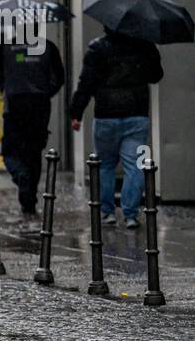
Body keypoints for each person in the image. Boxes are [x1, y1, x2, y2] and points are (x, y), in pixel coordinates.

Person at [68, 29, 164, 229]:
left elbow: (86, 83)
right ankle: (130, 214)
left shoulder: (97, 48)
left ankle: (107, 213)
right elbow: (156, 75)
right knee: (135, 165)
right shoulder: (145, 46)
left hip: (106, 116)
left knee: (105, 165)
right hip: (137, 114)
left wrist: (76, 112)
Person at [0, 35, 65, 219]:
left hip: (14, 104)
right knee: (34, 152)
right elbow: (59, 77)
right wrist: (45, 93)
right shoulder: (48, 46)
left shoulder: (6, 46)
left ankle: (21, 177)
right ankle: (29, 201)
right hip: (40, 105)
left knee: (10, 150)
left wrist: (8, 86)